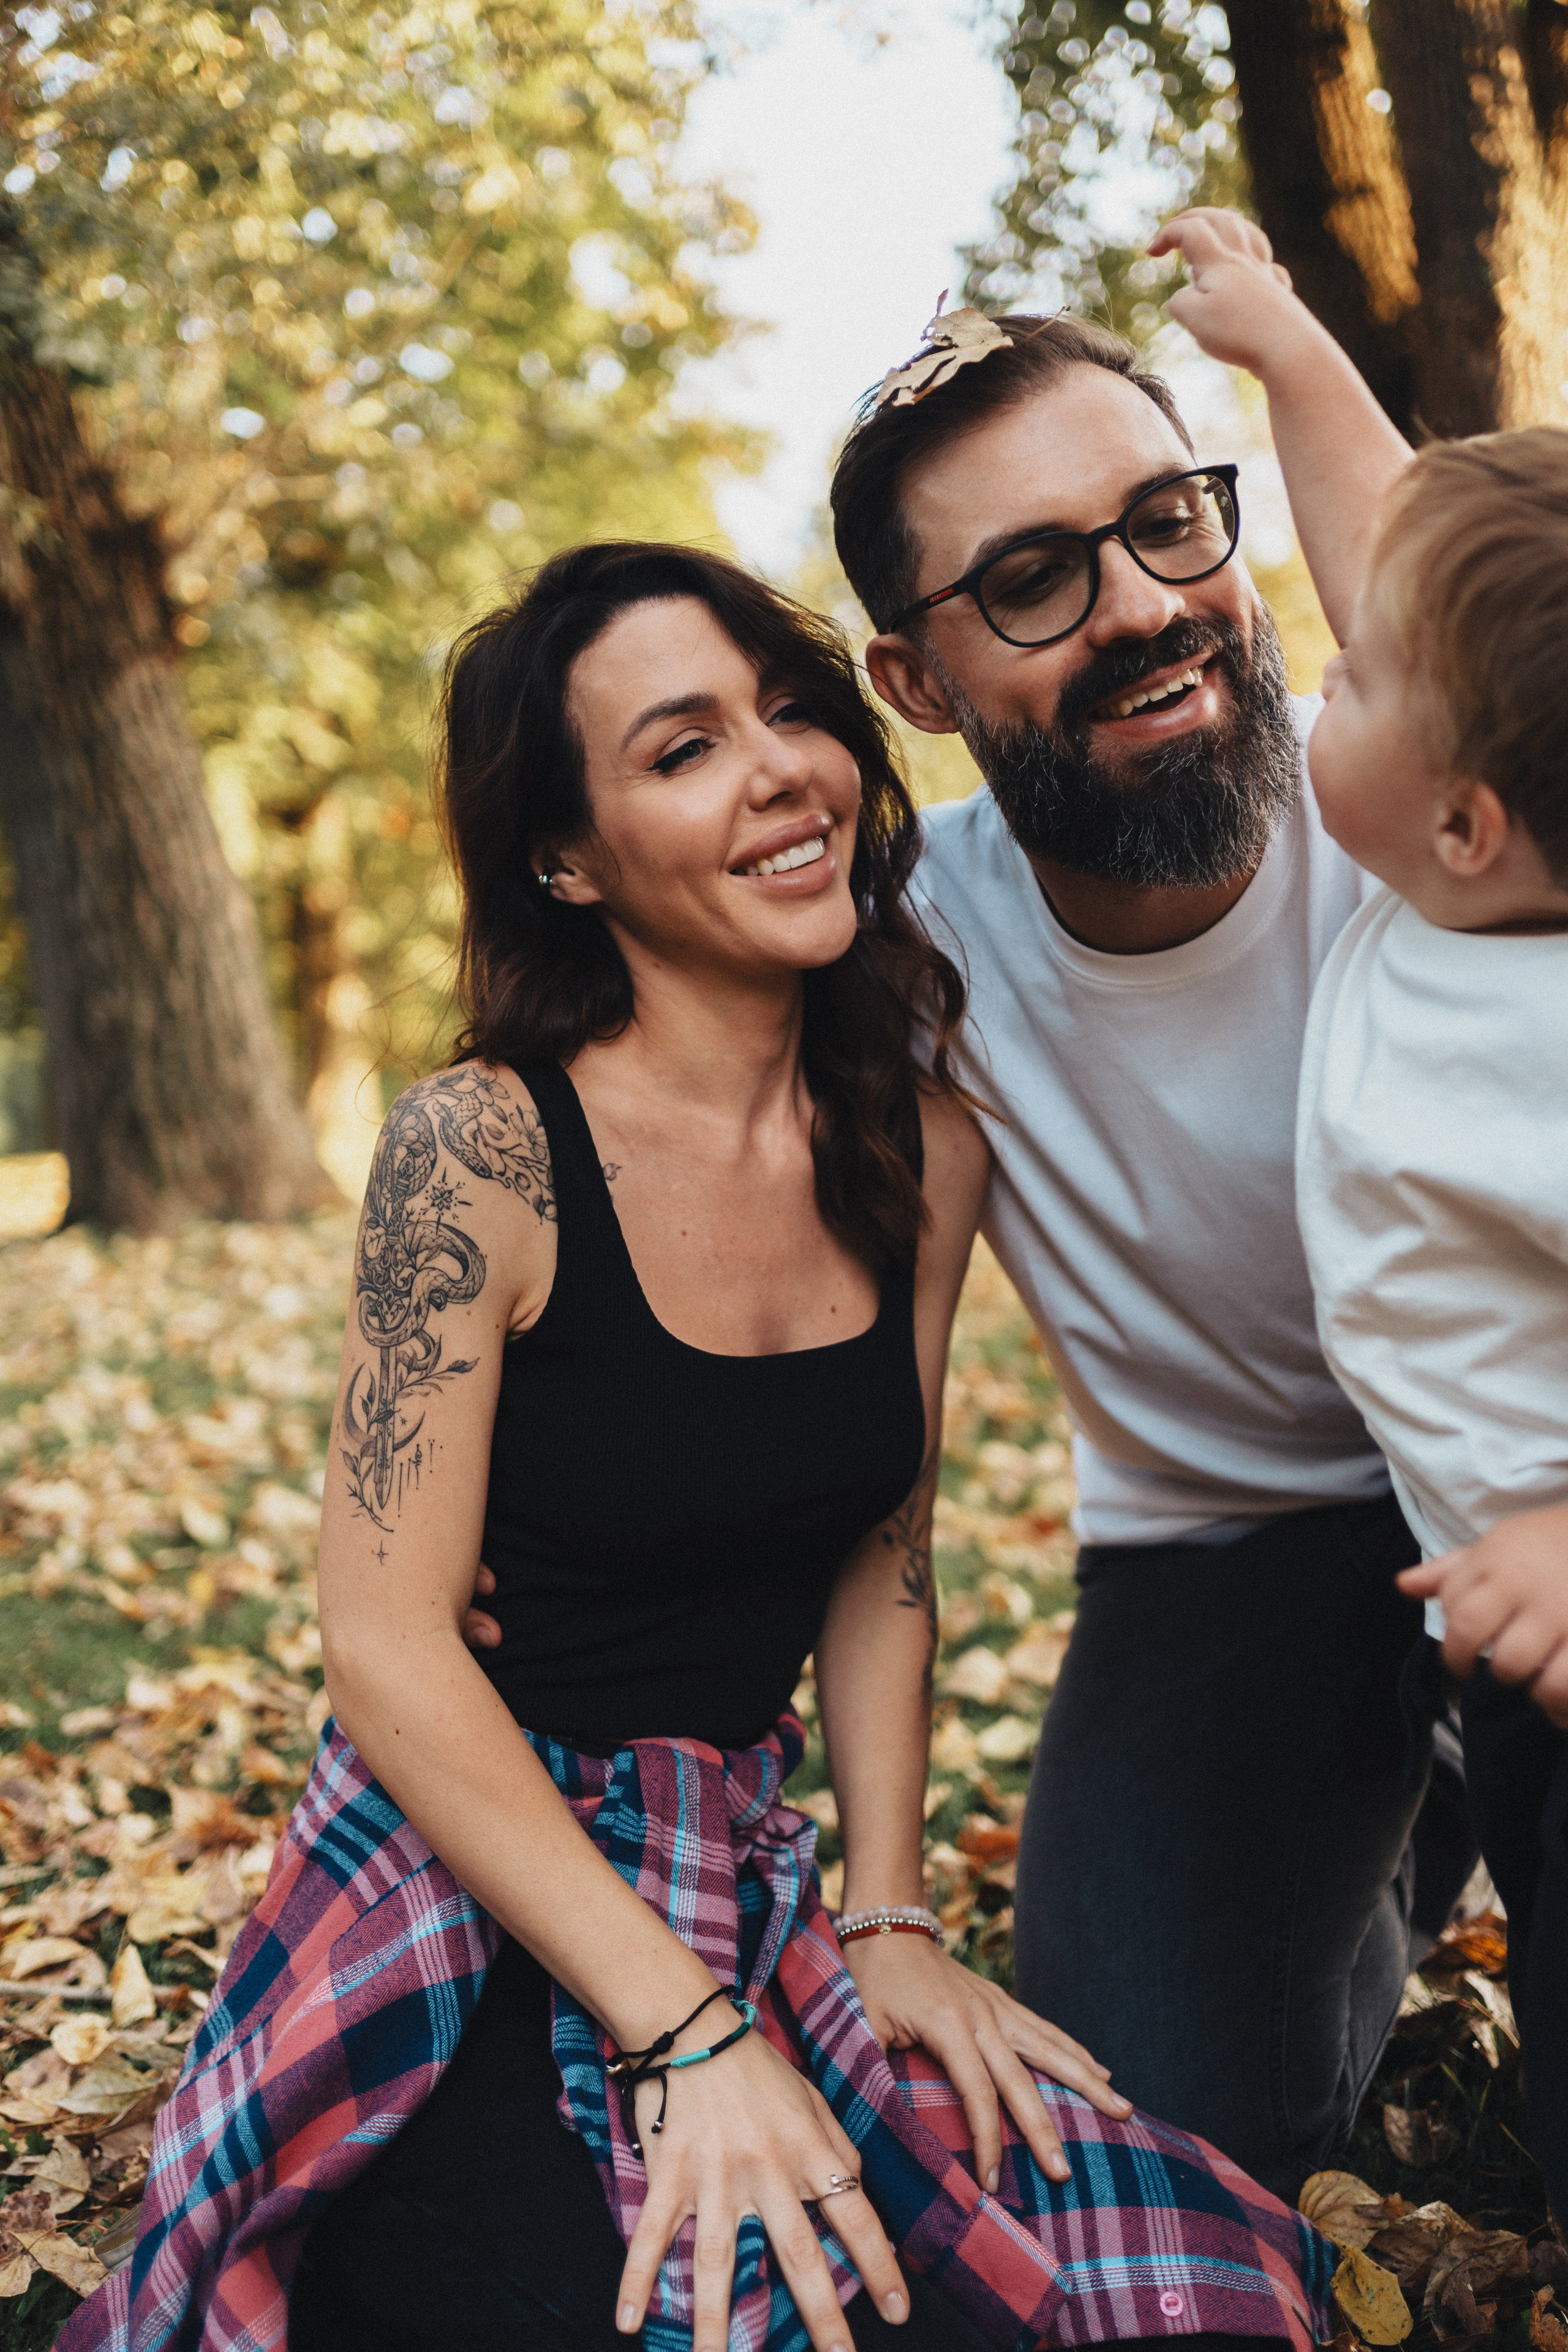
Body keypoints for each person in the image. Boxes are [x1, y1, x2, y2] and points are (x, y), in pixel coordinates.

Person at [60, 543, 1333, 2352]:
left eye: (789, 710)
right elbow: (387, 1642)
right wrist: (690, 2033)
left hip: (739, 1866)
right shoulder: (479, 1153)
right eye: (682, 748)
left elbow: (883, 1552)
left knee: (1182, 2295)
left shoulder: (917, 1140)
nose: (781, 772)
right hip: (475, 1883)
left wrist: (887, 1916)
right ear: (567, 861)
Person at [821, 209, 1477, 2203]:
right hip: (1226, 1544)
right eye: (1030, 578)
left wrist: (1282, 345)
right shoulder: (903, 951)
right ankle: (1361, 1848)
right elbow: (853, 1406)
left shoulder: (1431, 797)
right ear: (915, 682)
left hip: (1535, 1479)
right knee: (1151, 2142)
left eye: (1168, 520)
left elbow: (1412, 567)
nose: (1135, 603)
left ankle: (1451, 1782)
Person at [1133, 223, 1568, 2219]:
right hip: (1478, 1613)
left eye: (1365, 675)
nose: (1323, 653)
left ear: (1465, 811)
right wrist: (1289, 348)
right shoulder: (1447, 881)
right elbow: (1383, 535)